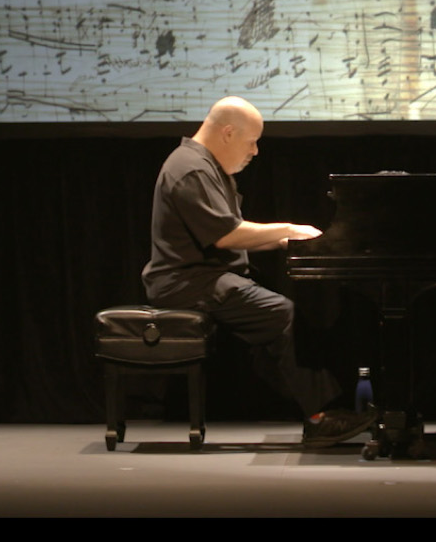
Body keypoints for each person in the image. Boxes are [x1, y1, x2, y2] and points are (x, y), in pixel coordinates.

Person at [142, 96, 375, 446]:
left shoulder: (205, 165)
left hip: (206, 277)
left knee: (284, 305)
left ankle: (327, 407)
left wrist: (285, 242)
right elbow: (227, 235)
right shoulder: (191, 169)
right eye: (251, 142)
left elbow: (228, 235)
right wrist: (288, 229)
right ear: (228, 133)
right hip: (184, 283)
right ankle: (321, 417)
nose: (255, 151)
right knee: (281, 313)